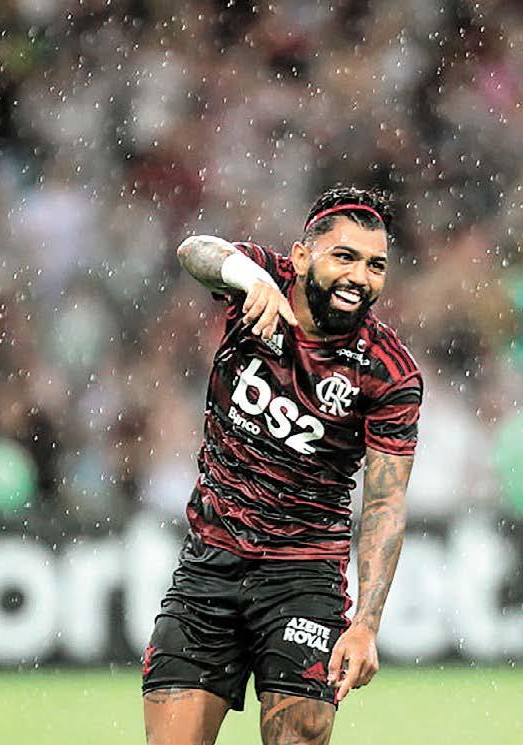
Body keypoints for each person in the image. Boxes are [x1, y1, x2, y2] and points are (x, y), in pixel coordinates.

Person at [142, 186, 422, 745]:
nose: (359, 277)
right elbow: (194, 250)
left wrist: (366, 625)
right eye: (344, 257)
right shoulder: (259, 283)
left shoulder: (388, 370)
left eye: (375, 265)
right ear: (301, 256)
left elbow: (386, 501)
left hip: (304, 576)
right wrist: (249, 279)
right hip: (209, 564)